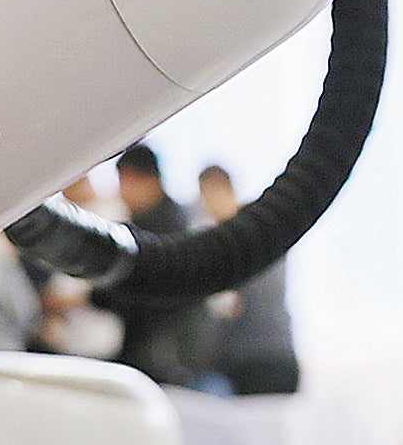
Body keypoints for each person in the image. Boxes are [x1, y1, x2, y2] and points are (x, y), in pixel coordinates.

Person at [96, 144, 217, 388]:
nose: (121, 194)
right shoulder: (179, 220)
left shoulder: (156, 232)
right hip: (178, 354)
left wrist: (92, 296)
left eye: (124, 183)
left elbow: (139, 289)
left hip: (162, 358)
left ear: (143, 180)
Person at [195, 165, 300, 396]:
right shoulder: (265, 225)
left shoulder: (241, 237)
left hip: (256, 358)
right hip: (274, 353)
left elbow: (234, 306)